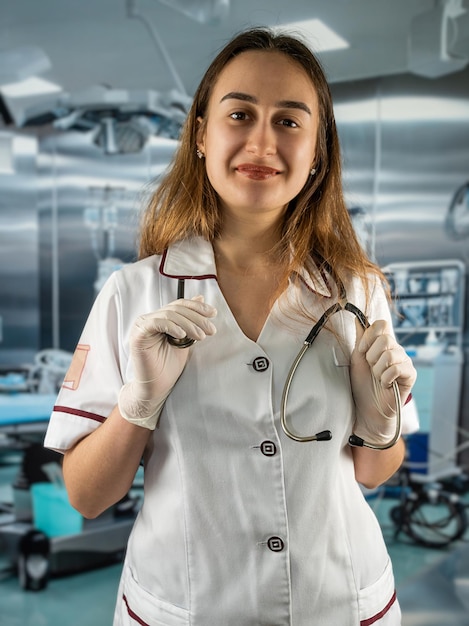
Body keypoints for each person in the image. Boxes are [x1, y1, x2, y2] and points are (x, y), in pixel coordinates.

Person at [44, 27, 418, 626]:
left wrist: (378, 424)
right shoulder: (132, 293)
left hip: (339, 602)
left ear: (318, 150)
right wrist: (137, 406)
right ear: (200, 134)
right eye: (239, 113)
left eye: (290, 121)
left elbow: (373, 471)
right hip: (187, 606)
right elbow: (88, 496)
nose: (262, 142)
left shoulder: (357, 288)